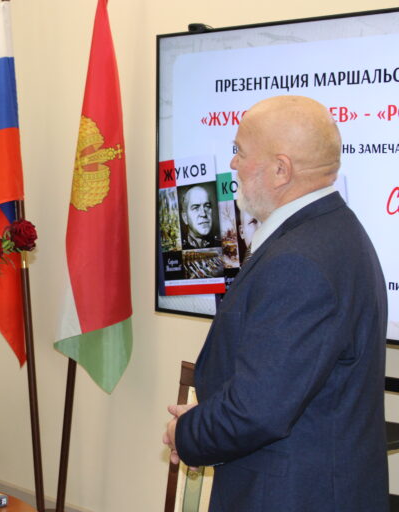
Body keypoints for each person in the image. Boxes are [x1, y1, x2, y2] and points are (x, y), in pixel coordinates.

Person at [163, 95, 388, 511]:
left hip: (290, 496)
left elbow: (257, 409)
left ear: (281, 169)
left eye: (240, 151)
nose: (233, 163)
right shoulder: (334, 229)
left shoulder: (299, 261)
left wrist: (187, 434)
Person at [179, 185, 219, 249]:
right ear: (185, 217)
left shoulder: (220, 243)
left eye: (207, 206)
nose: (203, 214)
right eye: (195, 208)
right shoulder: (179, 247)